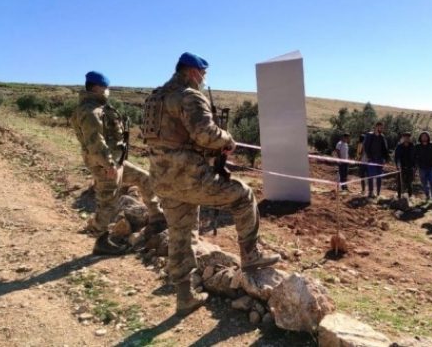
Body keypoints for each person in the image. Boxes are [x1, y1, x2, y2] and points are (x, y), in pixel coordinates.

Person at [142, 52, 280, 316]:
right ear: (193, 72)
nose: (204, 79)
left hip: (162, 179)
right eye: (203, 74)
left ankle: (185, 297)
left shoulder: (154, 98)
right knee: (243, 195)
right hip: (189, 178)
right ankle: (251, 256)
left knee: (180, 233)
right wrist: (227, 139)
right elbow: (206, 134)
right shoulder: (189, 95)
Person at [72, 71, 166, 255]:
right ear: (98, 88)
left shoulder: (96, 107)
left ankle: (156, 216)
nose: (107, 91)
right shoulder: (90, 112)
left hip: (116, 162)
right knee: (108, 203)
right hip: (106, 166)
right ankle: (100, 240)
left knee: (144, 178)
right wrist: (108, 165)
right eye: (106, 88)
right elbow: (95, 143)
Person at [362, 122, 389, 199]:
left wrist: (385, 158)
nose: (382, 129)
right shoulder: (369, 135)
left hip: (380, 159)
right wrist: (368, 156)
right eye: (381, 128)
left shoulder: (382, 137)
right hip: (371, 159)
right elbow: (365, 145)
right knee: (371, 175)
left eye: (382, 128)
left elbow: (385, 148)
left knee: (379, 177)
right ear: (376, 127)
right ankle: (370, 192)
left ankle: (378, 193)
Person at [414, 131, 432, 204]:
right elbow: (413, 156)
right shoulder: (417, 146)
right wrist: (417, 164)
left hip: (431, 168)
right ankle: (427, 196)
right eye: (422, 136)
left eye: (425, 136)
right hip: (422, 168)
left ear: (428, 137)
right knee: (424, 184)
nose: (424, 137)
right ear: (420, 138)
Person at [394, 132, 416, 199]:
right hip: (401, 167)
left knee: (409, 183)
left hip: (410, 167)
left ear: (409, 138)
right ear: (403, 138)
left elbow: (415, 157)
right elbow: (396, 157)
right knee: (400, 182)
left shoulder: (413, 146)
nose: (406, 138)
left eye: (408, 137)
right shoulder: (399, 147)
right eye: (405, 137)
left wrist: (415, 167)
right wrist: (397, 166)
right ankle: (399, 196)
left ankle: (410, 197)